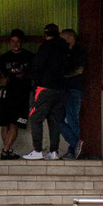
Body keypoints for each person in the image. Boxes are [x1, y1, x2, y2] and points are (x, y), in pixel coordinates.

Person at [25, 23, 68, 160]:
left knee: (36, 117)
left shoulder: (46, 46)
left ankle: (37, 150)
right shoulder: (64, 47)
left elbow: (37, 65)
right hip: (60, 88)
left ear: (45, 34)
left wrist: (33, 75)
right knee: (54, 120)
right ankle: (54, 151)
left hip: (44, 87)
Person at [0, 29, 35, 157]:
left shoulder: (30, 56)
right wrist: (2, 80)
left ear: (21, 42)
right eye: (12, 41)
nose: (15, 44)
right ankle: (6, 151)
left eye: (17, 41)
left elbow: (37, 73)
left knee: (15, 123)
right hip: (7, 93)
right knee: (4, 122)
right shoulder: (4, 57)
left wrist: (26, 76)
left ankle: (5, 150)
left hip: (22, 93)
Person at [59, 26, 86, 159]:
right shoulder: (62, 53)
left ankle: (73, 149)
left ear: (70, 38)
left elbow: (79, 70)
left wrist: (61, 75)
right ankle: (76, 144)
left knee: (72, 119)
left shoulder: (78, 52)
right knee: (57, 119)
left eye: (63, 38)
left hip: (74, 89)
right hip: (61, 90)